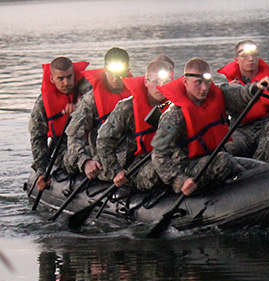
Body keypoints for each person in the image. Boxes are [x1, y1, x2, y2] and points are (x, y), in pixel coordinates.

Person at [152, 58, 269, 196]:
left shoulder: (216, 96)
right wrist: (179, 181)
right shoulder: (173, 116)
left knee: (264, 169)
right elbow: (158, 154)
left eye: (207, 82)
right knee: (223, 160)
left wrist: (256, 88)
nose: (204, 88)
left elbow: (239, 95)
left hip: (215, 158)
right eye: (198, 83)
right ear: (185, 82)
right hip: (188, 169)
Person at [96, 56, 175, 192]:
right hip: (140, 164)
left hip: (172, 156)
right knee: (161, 169)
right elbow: (104, 140)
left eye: (165, 82)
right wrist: (115, 171)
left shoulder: (176, 105)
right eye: (155, 82)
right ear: (146, 82)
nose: (160, 87)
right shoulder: (127, 108)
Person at [65, 47, 132, 180]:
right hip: (104, 159)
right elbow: (74, 136)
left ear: (128, 70)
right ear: (105, 70)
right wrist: (85, 162)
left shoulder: (137, 95)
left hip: (133, 155)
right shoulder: (91, 100)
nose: (115, 78)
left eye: (120, 73)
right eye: (111, 72)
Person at [28, 57, 92, 190]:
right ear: (52, 79)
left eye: (69, 77)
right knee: (80, 155)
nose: (66, 82)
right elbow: (38, 138)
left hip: (91, 142)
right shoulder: (43, 104)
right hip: (64, 148)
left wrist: (80, 109)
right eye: (60, 79)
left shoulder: (88, 94)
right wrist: (41, 171)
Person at [217, 40, 269, 159]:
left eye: (254, 55)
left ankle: (261, 165)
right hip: (240, 130)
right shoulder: (228, 87)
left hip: (265, 126)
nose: (251, 59)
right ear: (236, 59)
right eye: (245, 56)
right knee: (230, 145)